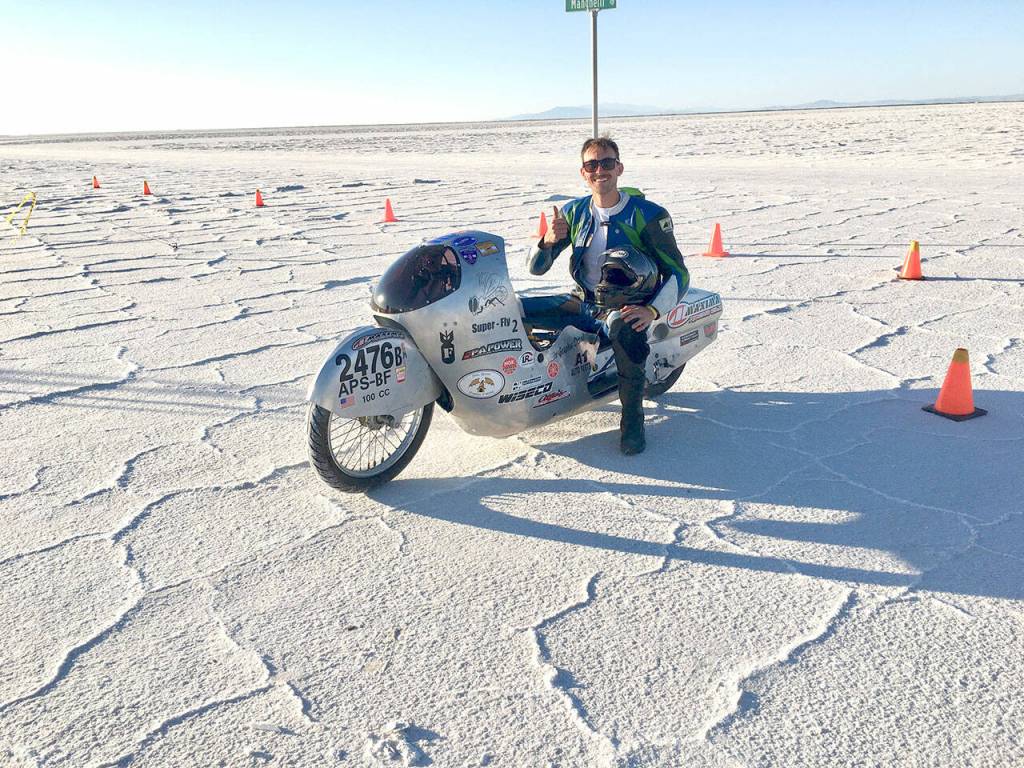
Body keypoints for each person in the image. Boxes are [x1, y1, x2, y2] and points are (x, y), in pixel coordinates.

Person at [522, 137, 689, 455]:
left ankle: (633, 420)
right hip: (582, 300)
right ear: (583, 173)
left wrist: (651, 311)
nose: (600, 170)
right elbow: (537, 269)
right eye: (592, 164)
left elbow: (678, 273)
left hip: (623, 304)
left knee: (626, 331)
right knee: (513, 309)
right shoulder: (573, 213)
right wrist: (546, 240)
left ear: (619, 168)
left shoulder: (648, 214)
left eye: (607, 162)